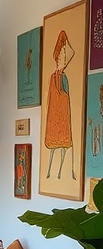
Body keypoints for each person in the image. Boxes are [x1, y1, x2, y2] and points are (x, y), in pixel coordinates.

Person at [44, 29, 76, 180]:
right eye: (61, 55)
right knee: (54, 148)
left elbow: (66, 100)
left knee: (63, 147)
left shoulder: (64, 78)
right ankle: (52, 172)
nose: (62, 58)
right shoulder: (53, 78)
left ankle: (59, 173)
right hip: (55, 119)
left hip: (63, 118)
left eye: (64, 55)